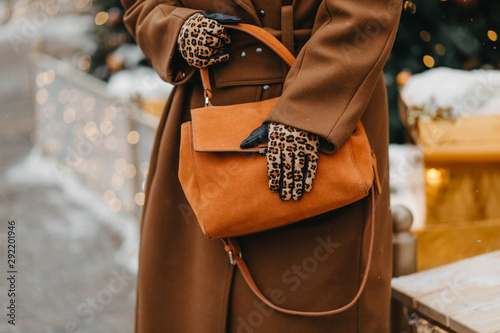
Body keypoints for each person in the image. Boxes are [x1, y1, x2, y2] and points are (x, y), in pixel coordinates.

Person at [121, 0, 402, 332]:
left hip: (328, 111)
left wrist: (306, 117)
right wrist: (175, 28)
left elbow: (366, 11)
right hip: (204, 119)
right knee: (193, 309)